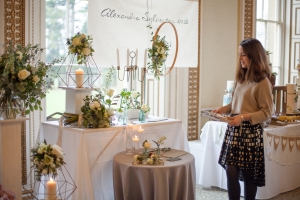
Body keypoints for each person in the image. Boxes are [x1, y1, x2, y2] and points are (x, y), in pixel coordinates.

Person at [213, 38, 273, 200]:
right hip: (234, 130)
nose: (240, 59)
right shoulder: (241, 78)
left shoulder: (263, 82)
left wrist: (243, 117)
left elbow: (267, 112)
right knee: (230, 171)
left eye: (244, 55)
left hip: (250, 133)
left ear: (254, 56)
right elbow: (235, 104)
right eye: (239, 54)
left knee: (248, 175)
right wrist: (223, 109)